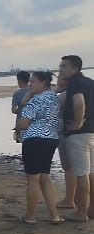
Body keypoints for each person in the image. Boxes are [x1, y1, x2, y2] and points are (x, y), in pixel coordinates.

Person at [15, 71, 65, 224]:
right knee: (45, 177)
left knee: (33, 179)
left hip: (34, 139)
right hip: (51, 139)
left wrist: (17, 128)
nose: (30, 84)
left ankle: (30, 216)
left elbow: (22, 123)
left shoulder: (36, 100)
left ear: (43, 83)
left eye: (33, 82)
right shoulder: (53, 98)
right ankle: (54, 215)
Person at [60, 55, 94, 221]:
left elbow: (79, 102)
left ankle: (81, 212)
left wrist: (78, 123)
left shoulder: (75, 84)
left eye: (64, 67)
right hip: (92, 132)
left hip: (79, 135)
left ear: (75, 68)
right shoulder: (90, 82)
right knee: (91, 173)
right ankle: (92, 208)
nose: (61, 70)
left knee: (81, 174)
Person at [54, 75, 78, 209]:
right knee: (80, 168)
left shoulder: (63, 96)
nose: (56, 82)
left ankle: (69, 199)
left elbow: (46, 107)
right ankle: (77, 198)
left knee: (69, 168)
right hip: (81, 133)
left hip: (65, 134)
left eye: (59, 80)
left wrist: (54, 91)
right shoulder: (80, 93)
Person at [12, 71, 31, 143]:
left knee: (25, 144)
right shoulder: (34, 91)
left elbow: (13, 110)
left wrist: (20, 110)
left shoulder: (17, 93)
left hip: (21, 123)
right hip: (34, 122)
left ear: (19, 80)